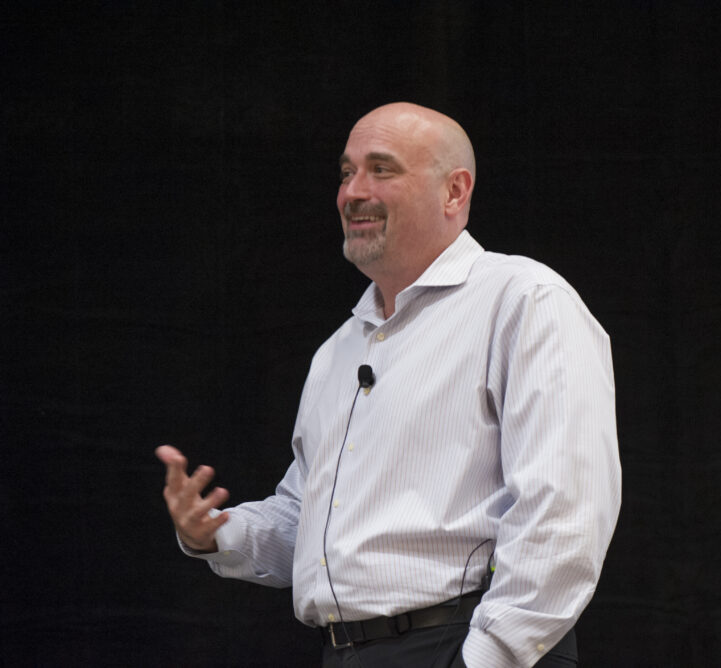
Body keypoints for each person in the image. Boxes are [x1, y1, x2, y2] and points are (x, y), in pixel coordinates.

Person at [157, 102, 621, 668]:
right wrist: (217, 534)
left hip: (462, 645)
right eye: (346, 172)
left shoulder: (523, 301)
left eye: (382, 169)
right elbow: (313, 525)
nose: (353, 192)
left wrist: (489, 655)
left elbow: (564, 509)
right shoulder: (339, 351)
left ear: (454, 192)